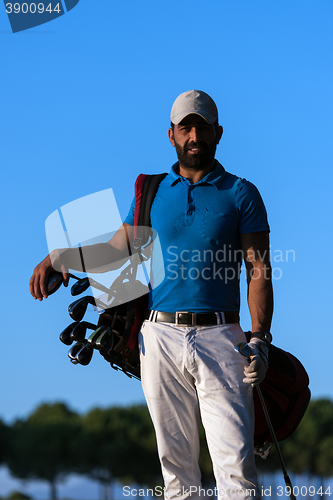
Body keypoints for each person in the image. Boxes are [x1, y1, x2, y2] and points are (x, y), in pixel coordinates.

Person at [30, 90, 273, 500]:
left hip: (223, 337)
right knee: (177, 474)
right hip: (159, 338)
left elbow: (259, 270)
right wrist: (59, 257)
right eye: (186, 127)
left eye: (202, 127)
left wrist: (260, 338)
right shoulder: (153, 191)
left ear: (218, 133)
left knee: (236, 472)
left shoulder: (241, 193)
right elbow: (116, 248)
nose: (194, 135)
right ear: (172, 134)